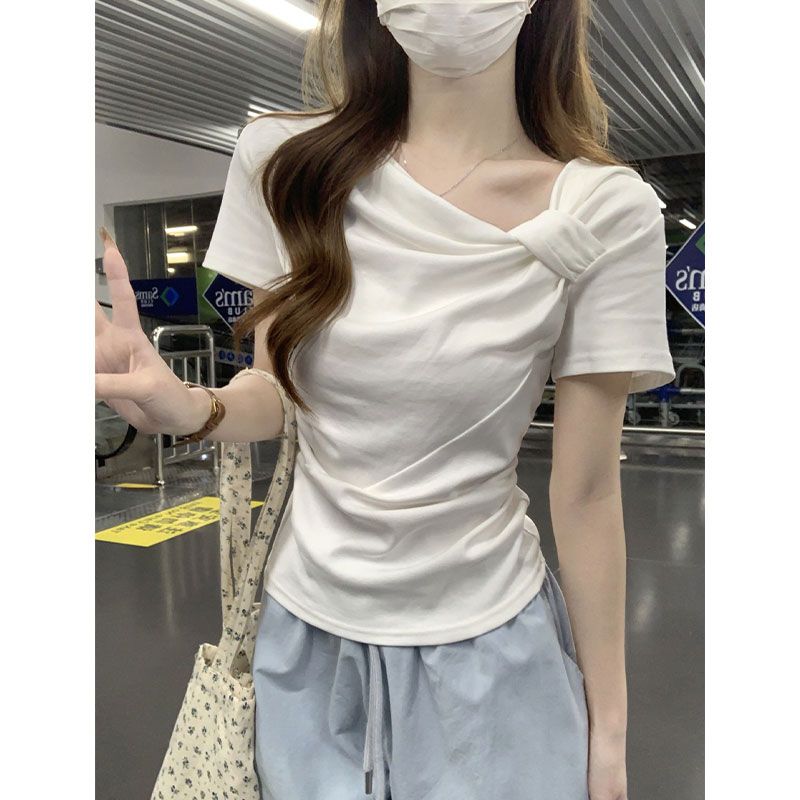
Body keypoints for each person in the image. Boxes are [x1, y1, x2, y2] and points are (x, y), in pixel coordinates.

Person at [95, 1, 675, 798]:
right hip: (306, 642)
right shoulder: (286, 163)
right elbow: (275, 391)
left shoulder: (605, 210)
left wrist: (609, 736)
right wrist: (194, 408)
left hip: (493, 643)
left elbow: (587, 491)